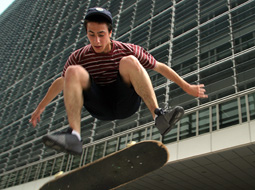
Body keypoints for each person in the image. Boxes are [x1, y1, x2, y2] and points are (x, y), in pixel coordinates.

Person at [29, 7, 207, 156]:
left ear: (111, 32)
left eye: (101, 34)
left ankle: (159, 116)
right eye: (91, 35)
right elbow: (61, 82)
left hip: (125, 101)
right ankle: (74, 136)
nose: (97, 41)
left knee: (129, 61)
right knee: (72, 71)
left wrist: (187, 86)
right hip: (99, 105)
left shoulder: (127, 49)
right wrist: (40, 107)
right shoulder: (78, 56)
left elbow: (159, 67)